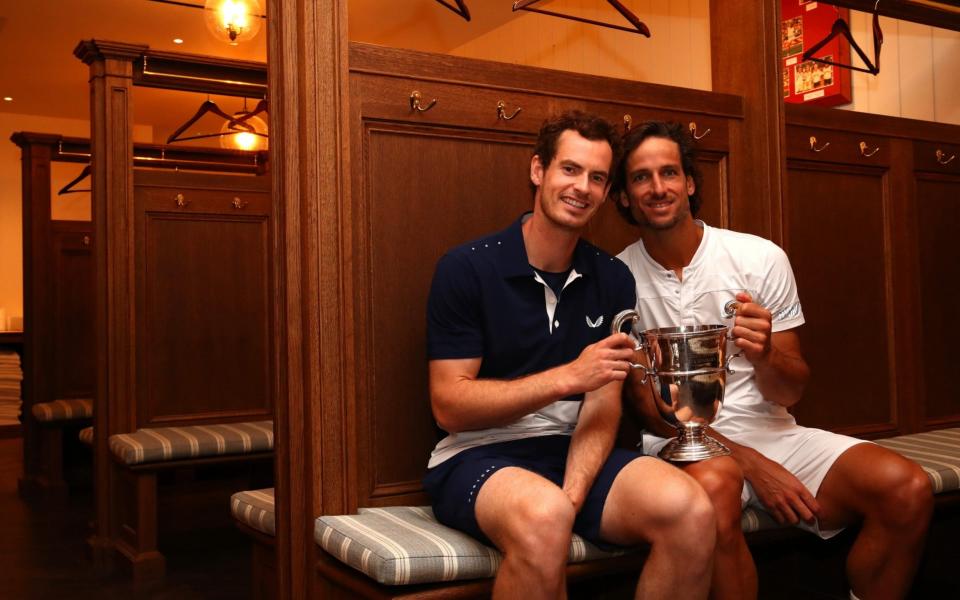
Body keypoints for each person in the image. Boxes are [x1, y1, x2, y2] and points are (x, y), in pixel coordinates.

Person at [614, 120, 934, 600]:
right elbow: (649, 411)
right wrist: (750, 464)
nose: (658, 188)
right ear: (623, 196)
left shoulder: (758, 257)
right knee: (716, 486)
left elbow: (791, 390)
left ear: (691, 183)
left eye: (669, 173)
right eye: (641, 177)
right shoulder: (616, 278)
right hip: (678, 445)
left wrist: (764, 354)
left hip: (772, 431)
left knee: (906, 488)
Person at [424, 112, 716, 600]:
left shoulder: (612, 278)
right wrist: (567, 378)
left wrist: (574, 496)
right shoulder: (467, 268)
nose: (582, 187)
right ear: (539, 170)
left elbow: (602, 406)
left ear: (606, 193)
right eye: (570, 170)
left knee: (691, 509)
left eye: (597, 178)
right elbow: (450, 405)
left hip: (574, 450)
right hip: (477, 454)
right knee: (544, 516)